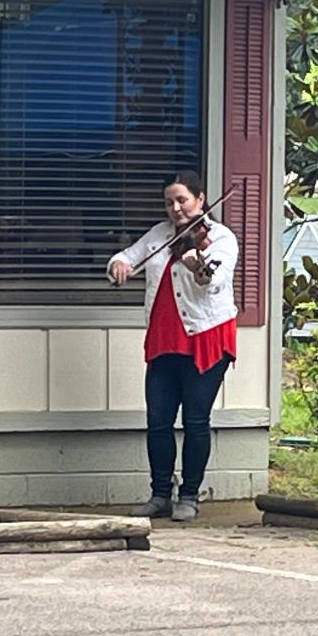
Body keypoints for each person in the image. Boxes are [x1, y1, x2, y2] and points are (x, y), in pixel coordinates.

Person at [107, 171, 238, 522]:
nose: (176, 207)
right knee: (158, 421)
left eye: (182, 199)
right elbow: (129, 255)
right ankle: (160, 493)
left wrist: (200, 268)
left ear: (200, 199)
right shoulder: (160, 235)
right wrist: (118, 263)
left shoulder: (220, 238)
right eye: (169, 201)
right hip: (164, 341)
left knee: (196, 420)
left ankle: (190, 495)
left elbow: (216, 279)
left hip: (204, 339)